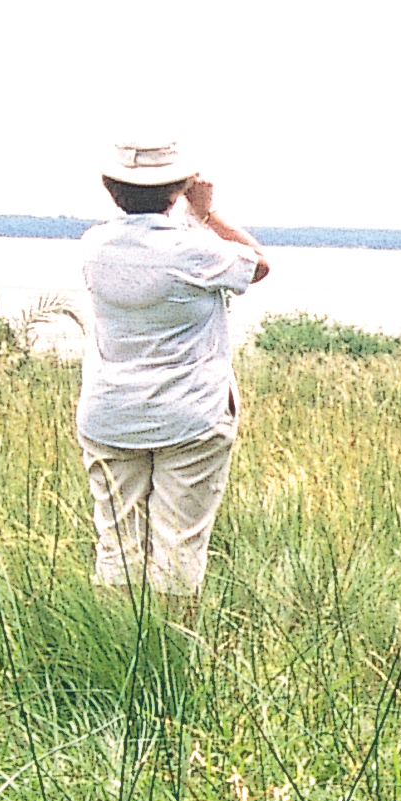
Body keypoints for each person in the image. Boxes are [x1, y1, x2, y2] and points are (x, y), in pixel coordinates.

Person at [74, 140, 267, 596]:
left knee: (117, 546)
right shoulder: (193, 248)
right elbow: (258, 264)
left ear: (110, 187)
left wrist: (186, 213)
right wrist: (205, 214)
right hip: (191, 416)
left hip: (110, 413)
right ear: (178, 188)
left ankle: (108, 650)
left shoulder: (93, 245)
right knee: (179, 546)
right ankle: (171, 656)